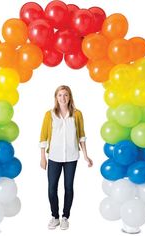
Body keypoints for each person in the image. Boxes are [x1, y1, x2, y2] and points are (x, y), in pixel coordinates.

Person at [39, 85, 93, 230]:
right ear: (56, 98)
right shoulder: (49, 115)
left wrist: (86, 156)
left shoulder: (77, 114)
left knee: (68, 187)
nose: (63, 98)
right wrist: (42, 157)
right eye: (60, 95)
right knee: (52, 189)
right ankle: (55, 216)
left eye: (66, 95)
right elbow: (43, 136)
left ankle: (65, 217)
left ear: (70, 97)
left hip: (71, 157)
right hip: (54, 157)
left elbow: (81, 135)